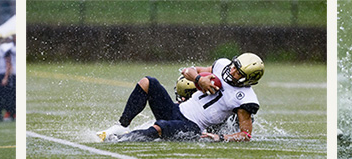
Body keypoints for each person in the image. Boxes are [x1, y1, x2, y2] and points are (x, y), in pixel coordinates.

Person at [97, 53, 264, 142]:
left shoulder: (245, 98)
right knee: (148, 82)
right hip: (177, 109)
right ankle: (121, 125)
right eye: (234, 66)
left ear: (248, 79)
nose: (232, 71)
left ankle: (118, 140)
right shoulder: (221, 65)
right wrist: (199, 79)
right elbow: (188, 70)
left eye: (238, 72)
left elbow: (246, 135)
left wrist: (221, 137)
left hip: (193, 126)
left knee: (160, 126)